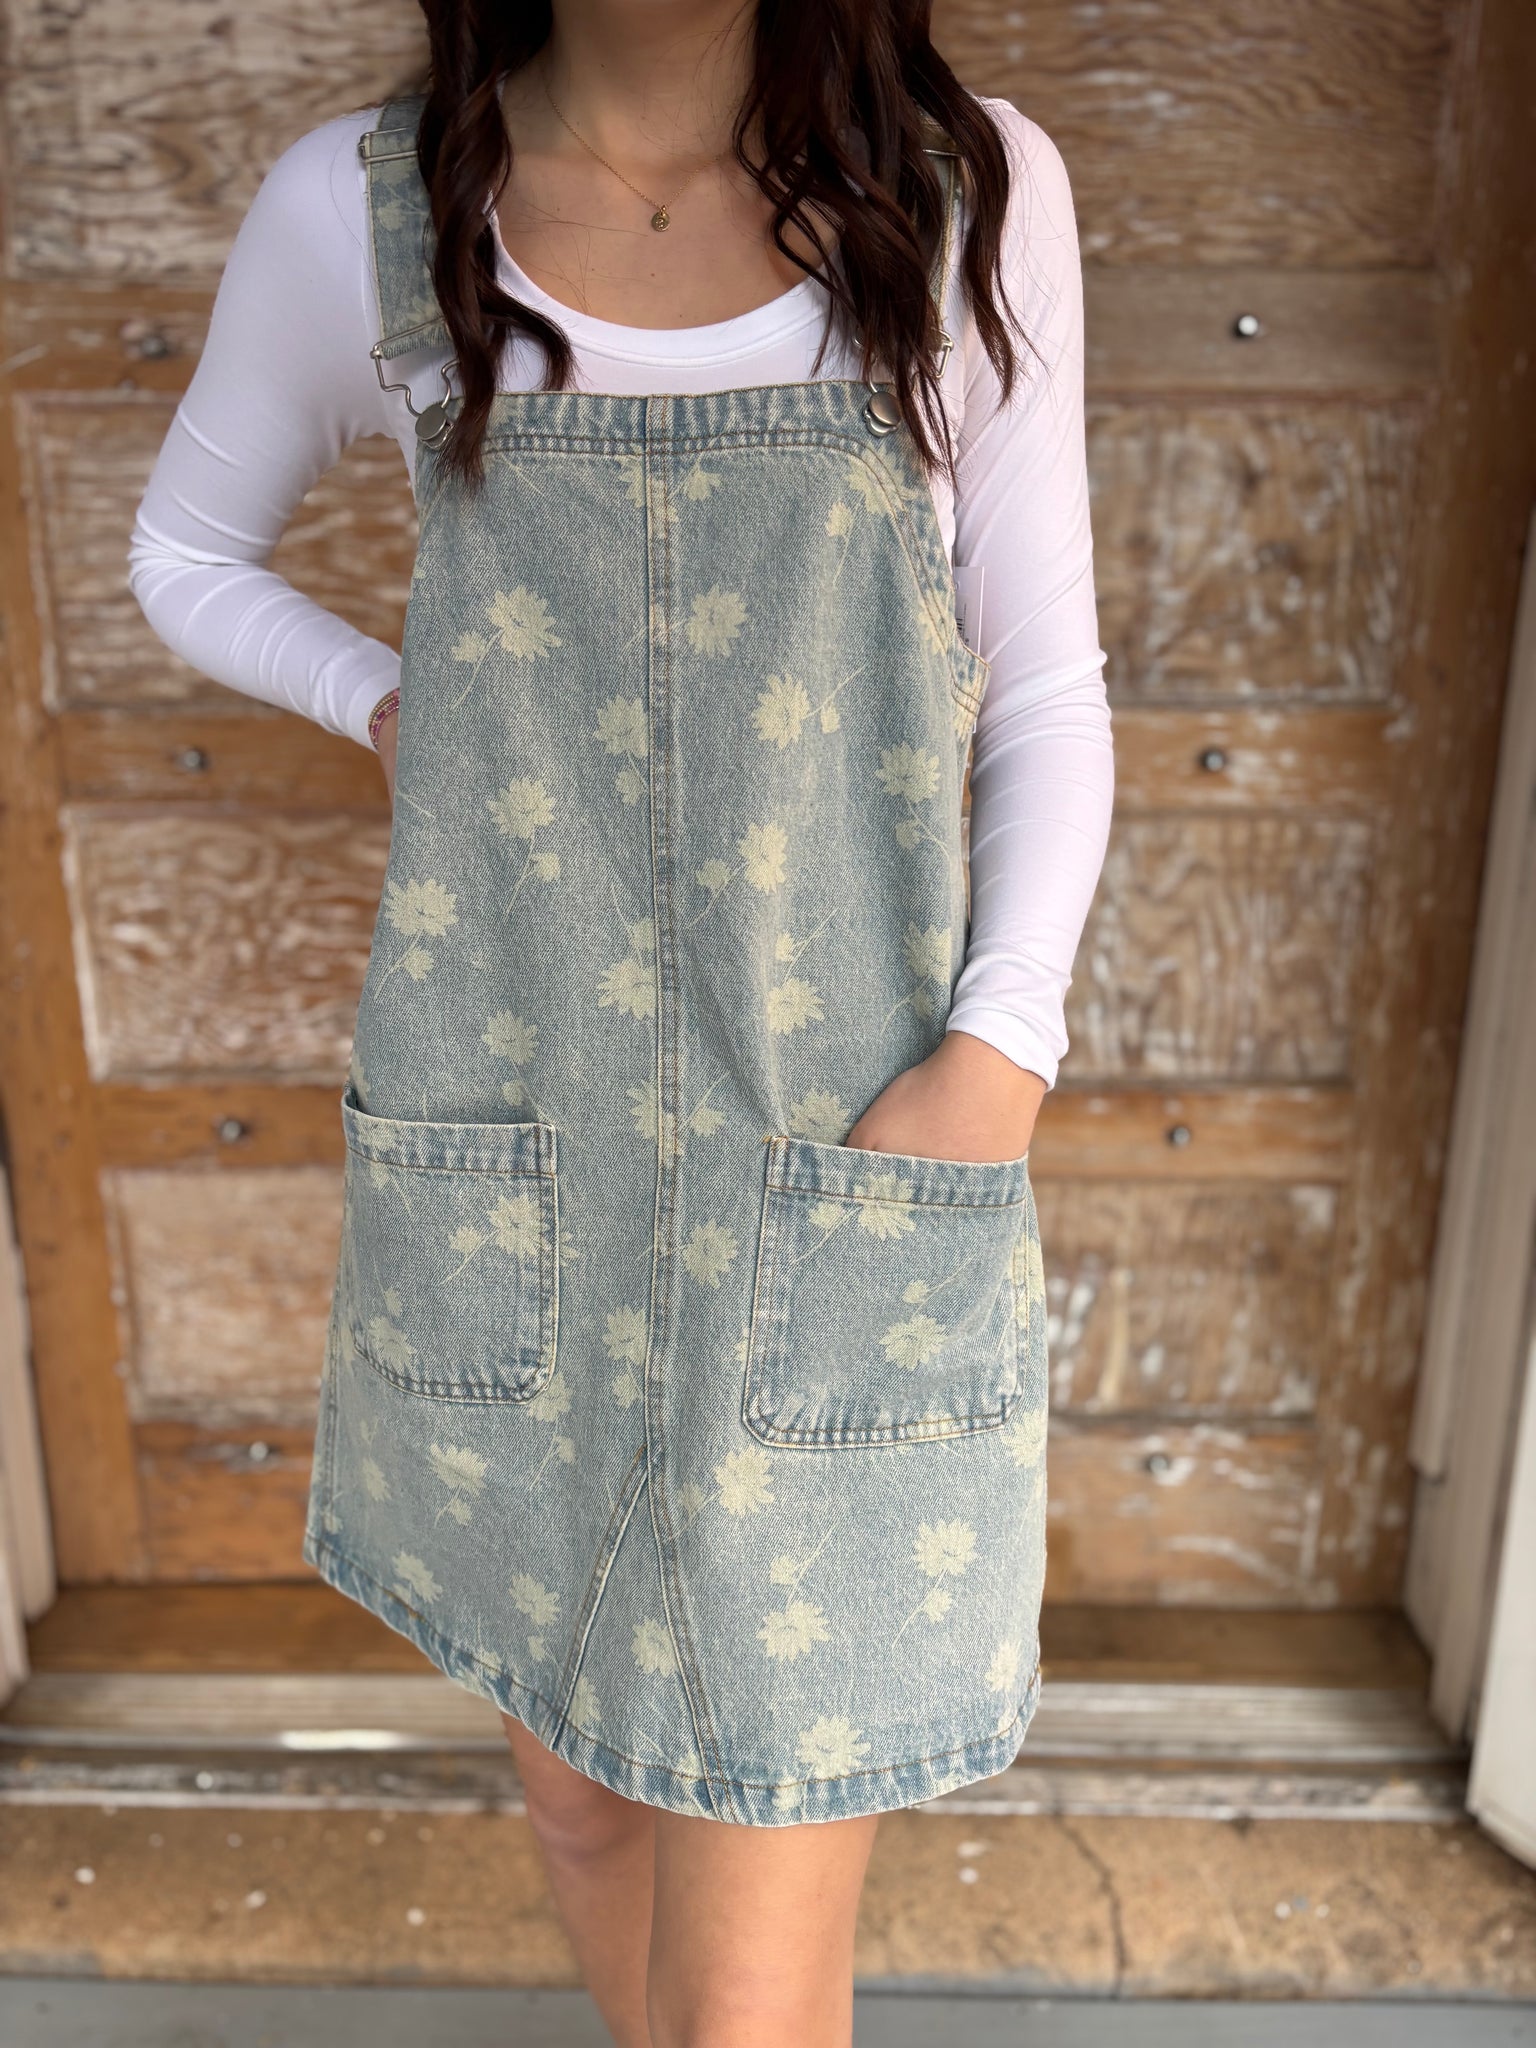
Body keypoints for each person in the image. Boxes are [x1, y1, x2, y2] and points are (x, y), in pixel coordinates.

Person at [127, 4, 1113, 2041]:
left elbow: (1047, 684)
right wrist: (382, 701)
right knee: (585, 1806)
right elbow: (183, 555)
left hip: (832, 1176)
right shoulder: (376, 210)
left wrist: (998, 1062)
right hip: (523, 1162)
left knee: (748, 1985)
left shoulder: (960, 198)